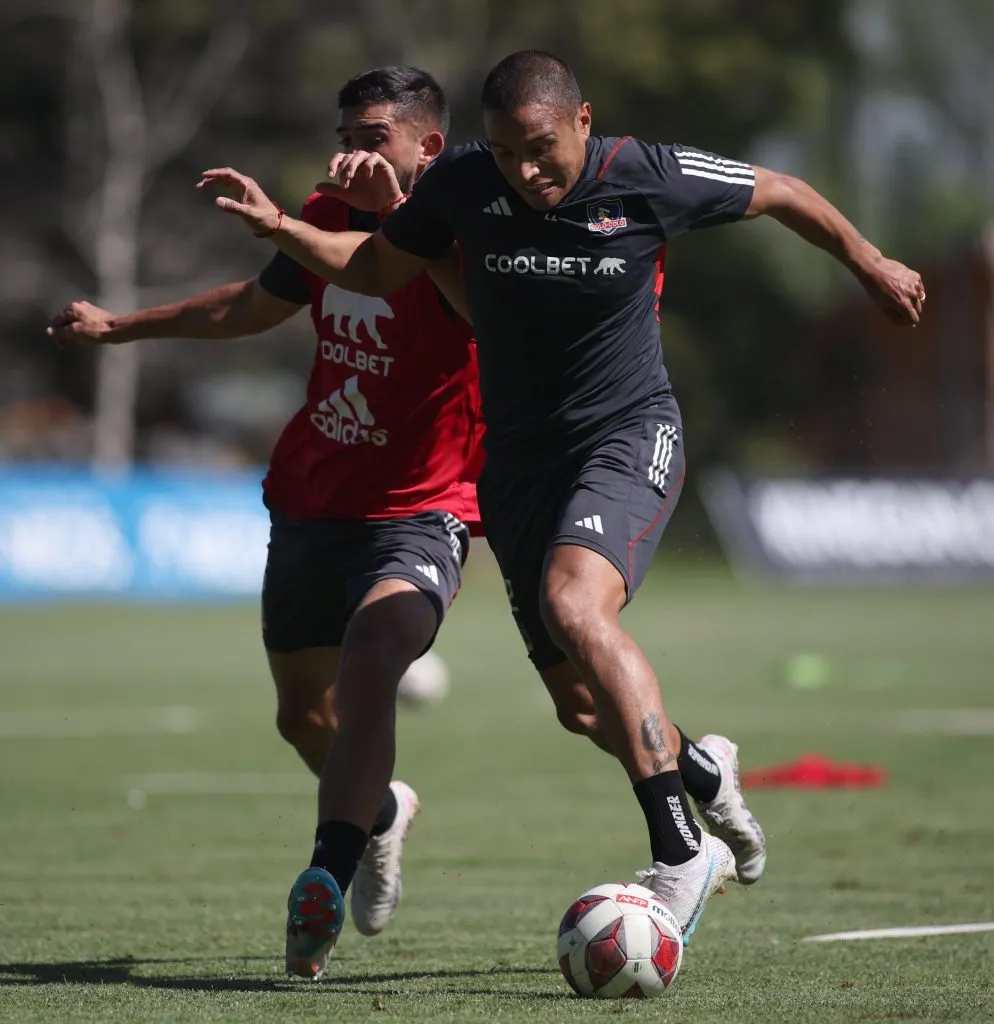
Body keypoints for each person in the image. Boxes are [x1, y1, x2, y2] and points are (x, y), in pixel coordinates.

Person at [197, 50, 925, 949]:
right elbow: (380, 267)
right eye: (506, 153)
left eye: (541, 149)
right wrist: (280, 227)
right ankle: (703, 770)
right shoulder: (464, 180)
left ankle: (678, 848)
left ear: (583, 121)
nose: (526, 171)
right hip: (521, 466)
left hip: (627, 436)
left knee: (572, 602)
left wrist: (870, 262)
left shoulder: (648, 174)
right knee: (579, 706)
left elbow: (780, 189)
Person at [47, 66, 485, 980]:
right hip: (311, 499)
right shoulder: (325, 206)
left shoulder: (469, 221)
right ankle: (382, 814)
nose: (353, 149)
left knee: (375, 655)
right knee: (301, 719)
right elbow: (253, 307)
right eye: (348, 132)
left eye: (374, 134)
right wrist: (120, 328)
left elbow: (476, 307)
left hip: (422, 506)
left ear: (426, 146)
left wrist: (398, 209)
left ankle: (323, 869)